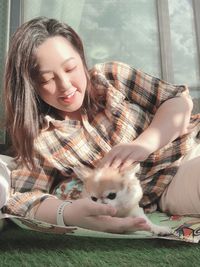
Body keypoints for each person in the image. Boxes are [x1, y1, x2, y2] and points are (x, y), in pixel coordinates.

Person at [2, 17, 200, 234]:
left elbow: (177, 100)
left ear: (81, 57)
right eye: (47, 79)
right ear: (31, 87)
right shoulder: (42, 139)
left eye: (70, 69)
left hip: (190, 148)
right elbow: (24, 198)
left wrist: (145, 144)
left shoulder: (112, 77)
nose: (65, 86)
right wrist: (68, 213)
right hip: (170, 185)